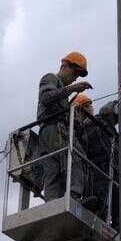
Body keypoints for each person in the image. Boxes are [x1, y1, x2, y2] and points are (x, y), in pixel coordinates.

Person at [35, 52, 92, 201]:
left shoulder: (61, 90)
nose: (75, 78)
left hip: (47, 132)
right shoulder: (50, 78)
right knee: (77, 156)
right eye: (75, 73)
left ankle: (52, 203)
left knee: (53, 171)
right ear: (65, 67)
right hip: (54, 128)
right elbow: (46, 98)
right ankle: (74, 195)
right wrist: (72, 89)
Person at [81, 99, 119, 223]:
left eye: (90, 104)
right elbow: (106, 110)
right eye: (85, 105)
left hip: (110, 166)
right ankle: (101, 216)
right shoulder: (92, 123)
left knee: (114, 192)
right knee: (101, 192)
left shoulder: (105, 126)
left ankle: (115, 221)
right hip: (99, 164)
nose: (90, 107)